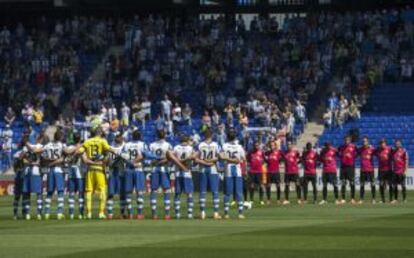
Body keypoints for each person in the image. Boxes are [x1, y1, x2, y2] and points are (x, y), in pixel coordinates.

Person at [27, 130, 69, 220]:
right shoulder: (61, 145)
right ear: (61, 137)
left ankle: (46, 212)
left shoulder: (48, 145)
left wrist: (33, 152)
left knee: (49, 192)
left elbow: (38, 150)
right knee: (60, 191)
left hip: (50, 170)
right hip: (58, 169)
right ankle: (59, 212)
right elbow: (68, 152)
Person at [80, 127, 115, 219]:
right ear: (101, 133)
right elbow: (108, 150)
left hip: (90, 169)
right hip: (99, 169)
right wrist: (115, 152)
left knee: (88, 191)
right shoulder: (103, 141)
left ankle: (89, 213)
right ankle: (101, 213)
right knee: (103, 190)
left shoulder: (88, 141)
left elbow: (80, 151)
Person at [195, 129, 222, 220]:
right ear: (211, 135)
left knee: (202, 191)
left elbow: (195, 158)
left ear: (204, 135)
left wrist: (204, 162)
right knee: (215, 192)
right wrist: (212, 161)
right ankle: (215, 213)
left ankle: (202, 213)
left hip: (202, 169)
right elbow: (220, 156)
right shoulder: (216, 145)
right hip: (213, 169)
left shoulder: (200, 145)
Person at [220, 129, 246, 219]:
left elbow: (221, 156)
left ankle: (226, 213)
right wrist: (245, 171)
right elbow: (244, 159)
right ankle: (240, 213)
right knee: (239, 193)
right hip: (238, 171)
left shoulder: (224, 146)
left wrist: (229, 159)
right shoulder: (239, 147)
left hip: (228, 171)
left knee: (227, 193)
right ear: (235, 137)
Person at [121, 130, 147, 219]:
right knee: (139, 192)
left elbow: (123, 157)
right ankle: (139, 214)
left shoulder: (126, 145)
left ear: (132, 136)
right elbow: (145, 155)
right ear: (140, 136)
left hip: (128, 169)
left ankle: (130, 214)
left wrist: (130, 162)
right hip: (138, 169)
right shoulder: (142, 144)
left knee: (128, 192)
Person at [149, 130, 173, 220]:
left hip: (154, 169)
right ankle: (167, 214)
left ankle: (154, 214)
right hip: (164, 169)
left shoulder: (152, 145)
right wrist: (163, 160)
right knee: (166, 190)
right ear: (165, 135)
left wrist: (155, 161)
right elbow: (171, 157)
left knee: (154, 191)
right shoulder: (168, 145)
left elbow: (148, 157)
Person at [21, 134, 45, 220]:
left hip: (27, 171)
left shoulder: (27, 147)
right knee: (38, 193)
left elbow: (22, 157)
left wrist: (26, 146)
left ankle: (27, 214)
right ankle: (38, 213)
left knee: (27, 193)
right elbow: (22, 158)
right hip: (35, 171)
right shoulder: (39, 145)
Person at [173, 135, 195, 219]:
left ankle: (177, 214)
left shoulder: (176, 148)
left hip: (178, 173)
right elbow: (194, 157)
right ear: (187, 140)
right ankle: (189, 214)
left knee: (177, 193)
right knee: (189, 194)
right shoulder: (190, 148)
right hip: (187, 173)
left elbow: (172, 158)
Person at [106, 134, 126, 219]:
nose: (118, 138)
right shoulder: (110, 146)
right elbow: (106, 159)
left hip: (122, 172)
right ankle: (110, 214)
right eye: (116, 137)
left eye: (119, 137)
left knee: (122, 193)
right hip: (112, 172)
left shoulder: (126, 146)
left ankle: (122, 213)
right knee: (110, 193)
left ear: (122, 138)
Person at [66, 133, 84, 220]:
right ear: (79, 139)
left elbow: (67, 154)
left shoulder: (70, 147)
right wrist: (78, 147)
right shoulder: (81, 147)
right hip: (79, 172)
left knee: (72, 194)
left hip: (72, 171)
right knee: (80, 193)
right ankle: (80, 213)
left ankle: (71, 214)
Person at [338, 136, 357, 204]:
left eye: (348, 140)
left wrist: (351, 158)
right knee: (343, 183)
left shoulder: (353, 147)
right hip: (343, 167)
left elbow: (357, 154)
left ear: (350, 140)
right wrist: (341, 158)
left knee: (352, 182)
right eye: (345, 140)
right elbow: (338, 153)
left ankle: (352, 198)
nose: (346, 141)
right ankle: (343, 199)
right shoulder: (341, 147)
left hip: (350, 167)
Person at [358, 137, 376, 204]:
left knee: (372, 184)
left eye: (365, 141)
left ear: (368, 142)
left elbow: (378, 153)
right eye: (363, 141)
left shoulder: (372, 149)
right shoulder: (360, 149)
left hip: (370, 170)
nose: (364, 142)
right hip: (363, 170)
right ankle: (361, 199)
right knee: (362, 185)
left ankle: (373, 199)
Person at [376, 139, 394, 203]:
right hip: (381, 170)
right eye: (381, 143)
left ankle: (391, 199)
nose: (382, 144)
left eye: (383, 143)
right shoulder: (378, 150)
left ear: (385, 143)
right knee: (381, 184)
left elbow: (396, 154)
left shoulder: (390, 149)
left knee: (390, 185)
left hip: (389, 170)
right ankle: (382, 199)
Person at [391, 140, 408, 204]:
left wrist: (405, 171)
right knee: (394, 186)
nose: (397, 145)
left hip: (401, 171)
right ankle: (395, 199)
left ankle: (404, 198)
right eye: (396, 144)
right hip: (395, 171)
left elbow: (406, 162)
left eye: (398, 144)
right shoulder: (393, 151)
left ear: (400, 144)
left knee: (403, 186)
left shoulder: (404, 151)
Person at [12, 141, 26, 220]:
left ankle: (16, 213)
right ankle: (23, 213)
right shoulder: (24, 153)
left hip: (18, 175)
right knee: (23, 195)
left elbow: (14, 167)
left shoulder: (16, 154)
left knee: (17, 196)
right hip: (22, 175)